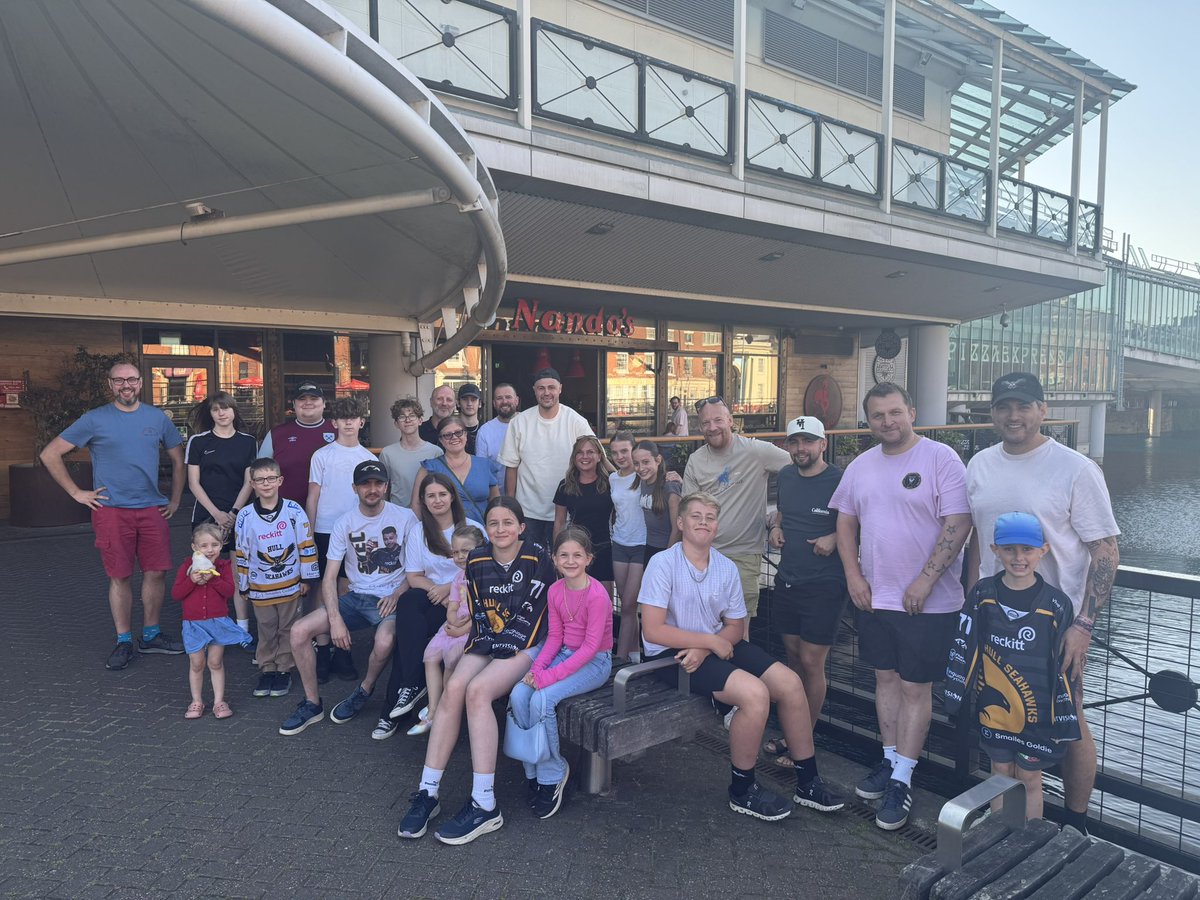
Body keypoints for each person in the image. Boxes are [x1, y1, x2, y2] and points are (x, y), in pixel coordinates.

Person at [964, 371, 1120, 834]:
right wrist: (970, 604)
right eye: (1005, 406)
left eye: (1024, 405)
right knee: (999, 714)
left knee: (1069, 720)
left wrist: (1084, 624)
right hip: (994, 618)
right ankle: (1010, 825)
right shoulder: (980, 464)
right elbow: (975, 539)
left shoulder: (1075, 468)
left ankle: (1074, 825)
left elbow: (1105, 550)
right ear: (992, 413)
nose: (1014, 415)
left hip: (1057, 624)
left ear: (1042, 410)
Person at [640, 492, 843, 822]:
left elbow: (735, 626)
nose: (703, 522)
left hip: (714, 645)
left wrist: (708, 644)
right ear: (681, 522)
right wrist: (707, 642)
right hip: (671, 656)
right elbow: (652, 630)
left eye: (710, 517)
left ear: (716, 527)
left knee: (791, 684)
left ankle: (807, 782)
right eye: (696, 516)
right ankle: (742, 789)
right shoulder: (663, 564)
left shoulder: (725, 567)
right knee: (754, 694)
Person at [830, 383, 971, 831]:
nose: (887, 422)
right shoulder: (860, 465)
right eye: (877, 416)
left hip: (928, 603)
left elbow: (959, 521)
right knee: (884, 679)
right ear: (868, 421)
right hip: (874, 597)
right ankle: (890, 762)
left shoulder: (941, 458)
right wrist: (853, 576)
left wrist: (926, 580)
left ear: (911, 411)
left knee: (915, 687)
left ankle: (904, 778)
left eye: (895, 412)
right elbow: (845, 522)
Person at [397, 496, 553, 846]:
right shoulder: (478, 559)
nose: (500, 529)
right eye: (494, 523)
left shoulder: (537, 557)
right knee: (453, 688)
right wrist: (475, 634)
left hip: (525, 643)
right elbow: (480, 612)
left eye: (507, 522)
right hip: (488, 638)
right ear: (487, 529)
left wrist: (503, 646)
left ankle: (485, 804)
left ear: (521, 527)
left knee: (477, 692)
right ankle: (428, 792)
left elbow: (534, 611)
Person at [40, 360, 186, 670]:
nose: (126, 385)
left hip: (151, 508)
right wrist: (76, 493)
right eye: (119, 381)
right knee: (119, 575)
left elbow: (178, 459)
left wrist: (174, 499)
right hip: (111, 510)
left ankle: (151, 635)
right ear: (110, 385)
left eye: (131, 379)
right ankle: (123, 640)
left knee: (156, 572)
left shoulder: (157, 418)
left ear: (141, 383)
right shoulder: (94, 419)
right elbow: (50, 453)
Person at [944, 512, 1081, 821]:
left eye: (1028, 550)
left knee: (1031, 778)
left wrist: (1064, 717)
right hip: (994, 710)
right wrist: (955, 694)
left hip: (1038, 715)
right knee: (1000, 772)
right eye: (1009, 550)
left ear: (1043, 551)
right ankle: (996, 835)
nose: (1019, 558)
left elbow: (1063, 670)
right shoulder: (982, 595)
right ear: (994, 550)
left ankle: (1029, 842)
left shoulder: (1057, 605)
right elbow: (964, 646)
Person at [279, 461, 417, 736]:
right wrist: (335, 620)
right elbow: (330, 577)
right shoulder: (344, 522)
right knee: (299, 631)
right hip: (356, 597)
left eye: (378, 483)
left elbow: (416, 569)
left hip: (391, 598)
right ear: (355, 488)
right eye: (366, 484)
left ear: (386, 486)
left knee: (385, 640)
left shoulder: (406, 518)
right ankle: (312, 703)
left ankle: (364, 689)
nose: (372, 489)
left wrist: (397, 593)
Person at [508, 525, 614, 819]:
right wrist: (537, 669)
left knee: (542, 700)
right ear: (554, 559)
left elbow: (590, 649)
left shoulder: (597, 596)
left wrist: (547, 678)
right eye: (563, 555)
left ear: (589, 558)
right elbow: (554, 638)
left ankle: (554, 772)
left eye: (577, 555)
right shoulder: (555, 590)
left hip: (594, 663)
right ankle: (533, 767)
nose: (570, 561)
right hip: (565, 655)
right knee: (519, 694)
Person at [763, 415, 846, 764]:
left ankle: (804, 740)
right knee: (793, 659)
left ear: (823, 444)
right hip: (788, 578)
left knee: (813, 662)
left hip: (825, 584)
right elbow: (782, 512)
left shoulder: (840, 479)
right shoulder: (785, 475)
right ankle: (792, 732)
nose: (801, 448)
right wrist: (776, 528)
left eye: (808, 442)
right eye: (794, 442)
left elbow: (862, 523)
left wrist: (835, 537)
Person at [379, 473, 483, 737]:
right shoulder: (419, 531)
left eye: (442, 494)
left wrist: (451, 589)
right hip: (431, 596)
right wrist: (438, 590)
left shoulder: (471, 528)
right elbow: (414, 577)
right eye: (430, 496)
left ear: (452, 497)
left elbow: (482, 570)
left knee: (407, 637)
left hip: (464, 602)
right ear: (423, 501)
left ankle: (394, 704)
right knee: (409, 603)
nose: (437, 500)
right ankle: (411, 688)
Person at [683, 397, 790, 622]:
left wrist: (781, 516)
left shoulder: (756, 451)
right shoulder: (696, 460)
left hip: (743, 556)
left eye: (718, 420)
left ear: (731, 420)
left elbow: (801, 469)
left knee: (739, 632)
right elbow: (688, 511)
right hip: (705, 556)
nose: (712, 427)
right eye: (706, 423)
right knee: (702, 624)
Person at [306, 396, 378, 683]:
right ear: (333, 422)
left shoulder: (369, 459)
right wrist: (308, 535)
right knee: (323, 590)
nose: (349, 422)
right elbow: (313, 496)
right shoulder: (322, 455)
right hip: (324, 529)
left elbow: (373, 501)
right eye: (343, 417)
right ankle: (323, 650)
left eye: (354, 417)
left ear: (362, 421)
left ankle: (343, 649)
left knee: (347, 591)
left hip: (356, 533)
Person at [235, 457, 319, 699]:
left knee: (288, 627)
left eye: (271, 478)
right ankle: (267, 667)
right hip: (260, 587)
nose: (266, 484)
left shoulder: (294, 511)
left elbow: (306, 544)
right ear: (252, 483)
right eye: (260, 480)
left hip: (290, 585)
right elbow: (242, 552)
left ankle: (284, 668)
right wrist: (243, 583)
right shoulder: (245, 516)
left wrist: (307, 578)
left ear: (280, 480)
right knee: (266, 627)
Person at [186, 392, 257, 640]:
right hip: (207, 515)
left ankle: (242, 629)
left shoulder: (248, 442)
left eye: (226, 408)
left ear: (234, 411)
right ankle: (207, 626)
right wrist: (216, 514)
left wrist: (234, 514)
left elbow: (250, 481)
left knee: (238, 574)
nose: (222, 413)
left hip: (239, 516)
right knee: (205, 571)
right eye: (216, 409)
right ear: (211, 413)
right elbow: (193, 483)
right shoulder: (198, 442)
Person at [498, 367, 594, 548]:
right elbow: (512, 467)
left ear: (560, 389)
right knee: (530, 564)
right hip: (528, 510)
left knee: (562, 563)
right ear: (534, 390)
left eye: (551, 387)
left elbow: (595, 457)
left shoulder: (576, 421)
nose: (546, 392)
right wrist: (511, 508)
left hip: (566, 510)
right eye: (541, 388)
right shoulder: (519, 422)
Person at [405, 524, 486, 738]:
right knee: (430, 657)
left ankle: (447, 710)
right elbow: (452, 604)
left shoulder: (485, 576)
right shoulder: (459, 578)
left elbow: (484, 611)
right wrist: (451, 620)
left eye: (465, 551)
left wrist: (461, 629)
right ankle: (433, 710)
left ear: (480, 549)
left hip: (473, 628)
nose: (459, 557)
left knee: (451, 658)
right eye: (455, 552)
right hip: (453, 626)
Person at [173, 523, 252, 719]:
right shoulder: (187, 567)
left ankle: (219, 701)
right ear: (194, 547)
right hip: (193, 623)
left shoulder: (223, 567)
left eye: (215, 545)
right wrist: (191, 581)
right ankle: (196, 701)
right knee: (196, 663)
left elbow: (228, 591)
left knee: (215, 662)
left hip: (217, 622)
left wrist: (212, 579)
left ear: (221, 545)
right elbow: (176, 594)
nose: (210, 550)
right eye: (204, 545)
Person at [258, 382, 336, 508]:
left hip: (330, 514)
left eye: (314, 398)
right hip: (284, 513)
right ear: (294, 404)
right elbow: (259, 474)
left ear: (324, 403)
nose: (308, 402)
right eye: (302, 399)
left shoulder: (338, 431)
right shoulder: (276, 434)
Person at [552, 435, 615, 589]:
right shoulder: (565, 485)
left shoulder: (610, 482)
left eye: (590, 452)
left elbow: (625, 478)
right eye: (580, 452)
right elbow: (559, 522)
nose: (585, 456)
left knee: (603, 599)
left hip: (604, 547)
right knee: (577, 596)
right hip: (576, 549)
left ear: (599, 456)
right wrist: (557, 552)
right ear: (574, 457)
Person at [412, 415, 499, 524]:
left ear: (466, 435)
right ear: (441, 440)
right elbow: (416, 504)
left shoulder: (485, 465)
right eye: (447, 435)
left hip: (481, 534)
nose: (454, 437)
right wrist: (426, 532)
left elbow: (495, 502)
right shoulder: (429, 468)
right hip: (442, 534)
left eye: (458, 432)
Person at [607, 431, 646, 663]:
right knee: (624, 601)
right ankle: (634, 656)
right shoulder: (613, 478)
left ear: (634, 450)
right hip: (619, 543)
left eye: (624, 451)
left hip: (641, 544)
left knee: (630, 604)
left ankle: (620, 661)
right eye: (614, 452)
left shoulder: (644, 475)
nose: (620, 456)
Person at [378, 396, 442, 508]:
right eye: (402, 417)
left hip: (429, 513)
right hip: (398, 514)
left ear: (420, 420)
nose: (407, 420)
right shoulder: (387, 453)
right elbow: (383, 489)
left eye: (412, 416)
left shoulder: (435, 452)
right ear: (396, 424)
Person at [632, 440, 681, 564]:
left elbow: (677, 528)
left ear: (658, 460)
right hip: (648, 546)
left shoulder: (669, 486)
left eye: (646, 462)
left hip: (667, 549)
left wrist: (668, 557)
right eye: (636, 463)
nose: (641, 468)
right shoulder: (642, 482)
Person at [475, 383, 519, 491]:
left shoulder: (529, 424)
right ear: (494, 403)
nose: (504, 401)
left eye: (508, 397)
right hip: (498, 497)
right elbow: (482, 470)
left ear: (517, 400)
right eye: (499, 398)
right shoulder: (485, 431)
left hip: (528, 498)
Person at [456, 383, 483, 454]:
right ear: (458, 403)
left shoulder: (486, 430)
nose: (469, 403)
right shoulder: (452, 430)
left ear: (479, 403)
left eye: (473, 399)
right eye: (465, 399)